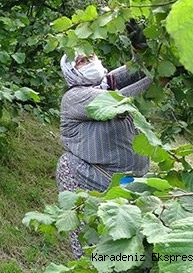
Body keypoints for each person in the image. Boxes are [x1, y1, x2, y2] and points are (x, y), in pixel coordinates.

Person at [56, 48, 151, 257]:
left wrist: (140, 46)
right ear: (71, 71)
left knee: (134, 246)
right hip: (91, 179)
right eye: (82, 61)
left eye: (92, 58)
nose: (89, 62)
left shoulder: (107, 84)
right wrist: (157, 81)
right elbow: (117, 101)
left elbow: (140, 68)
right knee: (94, 246)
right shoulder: (74, 97)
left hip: (131, 181)